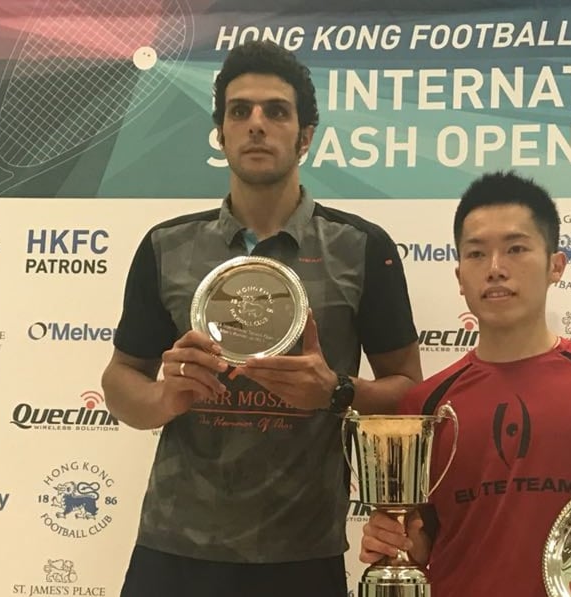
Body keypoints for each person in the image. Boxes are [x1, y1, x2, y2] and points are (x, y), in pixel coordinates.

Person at [102, 40, 423, 597]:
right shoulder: (166, 247)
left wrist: (335, 391)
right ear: (220, 133)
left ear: (304, 136)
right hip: (174, 546)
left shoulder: (363, 247)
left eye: (276, 111)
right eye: (239, 110)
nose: (256, 124)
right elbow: (119, 378)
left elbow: (410, 393)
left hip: (301, 551)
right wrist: (163, 399)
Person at [358, 171, 571, 597]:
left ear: (555, 266)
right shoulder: (424, 405)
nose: (495, 269)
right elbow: (419, 541)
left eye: (516, 248)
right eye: (476, 254)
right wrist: (392, 541)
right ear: (459, 276)